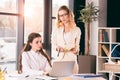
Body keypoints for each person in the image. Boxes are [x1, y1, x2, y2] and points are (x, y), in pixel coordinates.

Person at [51, 5, 81, 74]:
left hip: (71, 59)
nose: (63, 17)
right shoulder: (56, 29)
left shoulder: (77, 30)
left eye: (65, 14)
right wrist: (57, 48)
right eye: (61, 15)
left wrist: (76, 50)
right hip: (59, 59)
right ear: (58, 17)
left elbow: (77, 46)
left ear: (69, 15)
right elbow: (53, 43)